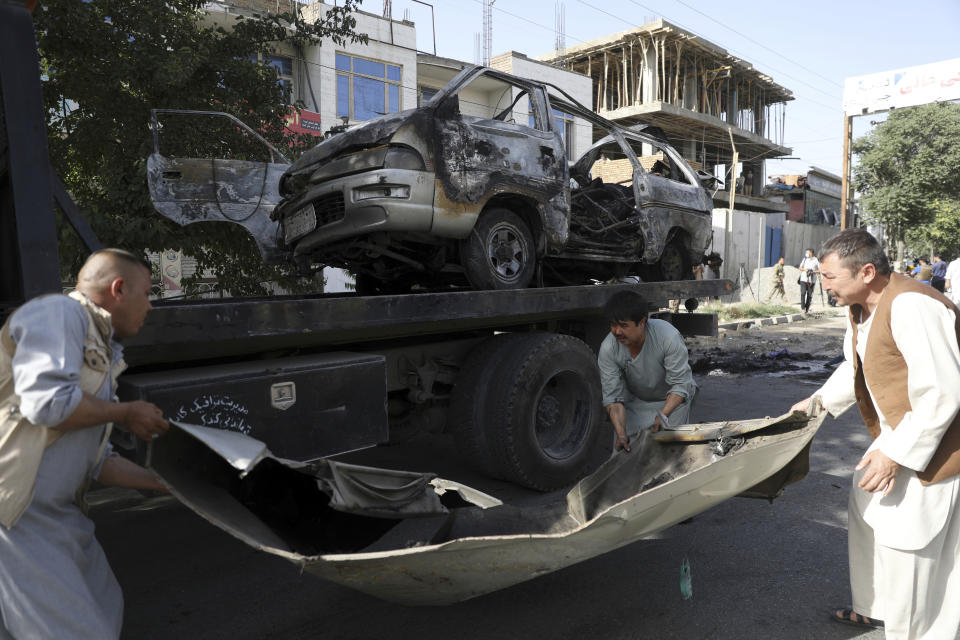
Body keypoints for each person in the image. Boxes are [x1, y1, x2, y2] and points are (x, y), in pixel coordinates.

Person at [790, 230, 960, 639]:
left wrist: (895, 454)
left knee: (910, 547)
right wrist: (813, 406)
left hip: (937, 440)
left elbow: (944, 392)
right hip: (900, 432)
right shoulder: (862, 306)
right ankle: (877, 609)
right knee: (865, 503)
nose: (823, 284)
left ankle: (919, 632)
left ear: (867, 271)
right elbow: (857, 366)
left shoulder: (913, 306)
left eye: (829, 277)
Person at [0, 248, 170, 639]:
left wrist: (168, 483)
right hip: (18, 515)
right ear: (119, 288)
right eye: (148, 292)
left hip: (58, 516)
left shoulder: (103, 347)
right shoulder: (59, 314)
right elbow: (47, 405)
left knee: (105, 605)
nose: (151, 305)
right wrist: (126, 412)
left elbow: (97, 462)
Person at [598, 291, 697, 452]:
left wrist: (663, 415)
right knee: (623, 453)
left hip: (672, 400)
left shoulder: (668, 338)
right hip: (636, 400)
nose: (616, 332)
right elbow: (613, 398)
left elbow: (680, 386)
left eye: (623, 325)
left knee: (666, 454)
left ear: (642, 322)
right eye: (613, 325)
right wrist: (621, 433)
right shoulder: (608, 348)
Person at [798, 248, 819, 313]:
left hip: (812, 280)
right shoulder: (805, 259)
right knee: (803, 293)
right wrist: (805, 270)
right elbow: (800, 267)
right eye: (806, 252)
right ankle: (802, 308)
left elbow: (820, 270)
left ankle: (807, 309)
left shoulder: (816, 260)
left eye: (807, 252)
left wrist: (812, 272)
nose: (806, 254)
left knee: (809, 295)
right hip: (803, 279)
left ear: (811, 253)